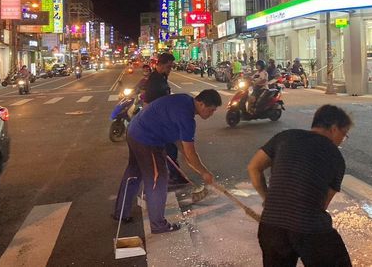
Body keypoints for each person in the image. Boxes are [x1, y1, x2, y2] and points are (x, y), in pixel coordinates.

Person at [248, 105, 353, 267]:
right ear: (334, 129)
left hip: (271, 227)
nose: (342, 140)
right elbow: (322, 204)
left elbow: (254, 167)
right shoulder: (336, 157)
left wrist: (267, 199)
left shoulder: (285, 137)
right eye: (344, 134)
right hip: (310, 228)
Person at [113, 90, 222, 233]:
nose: (211, 114)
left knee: (133, 173)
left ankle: (121, 212)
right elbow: (190, 151)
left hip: (134, 131)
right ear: (201, 104)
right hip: (147, 140)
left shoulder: (184, 101)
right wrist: (204, 172)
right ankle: (158, 225)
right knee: (158, 180)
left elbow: (181, 146)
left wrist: (194, 164)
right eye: (211, 110)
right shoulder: (187, 118)